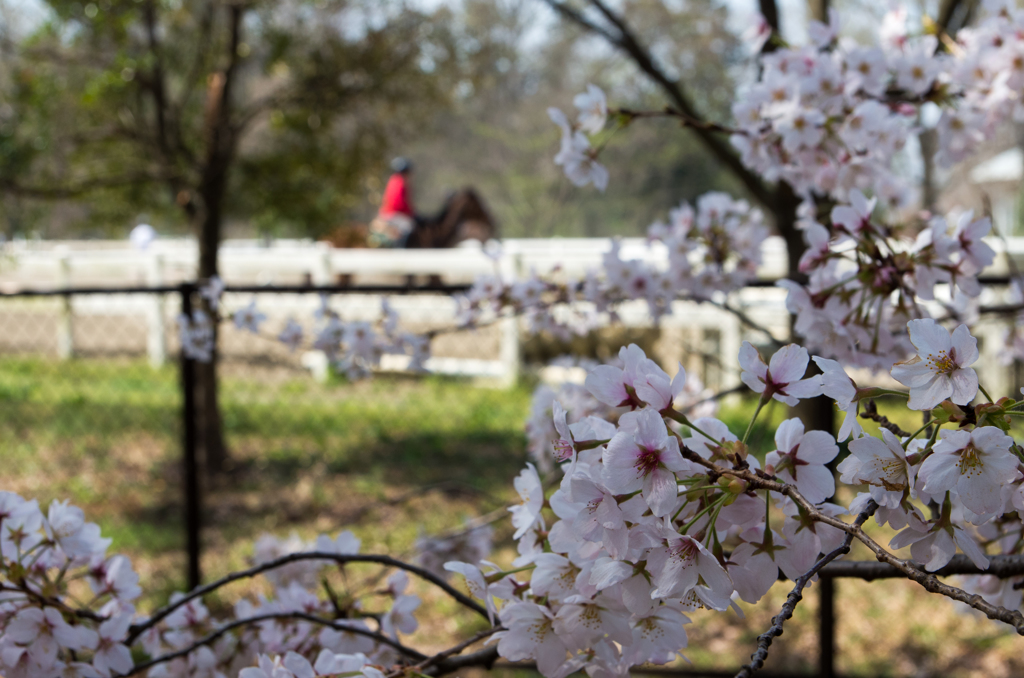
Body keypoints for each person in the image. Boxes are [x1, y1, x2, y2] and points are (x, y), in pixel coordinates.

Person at [369, 157, 417, 247]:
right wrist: (410, 213)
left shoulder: (394, 180)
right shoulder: (399, 181)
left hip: (391, 213)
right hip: (392, 214)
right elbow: (397, 203)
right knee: (408, 227)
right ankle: (400, 250)